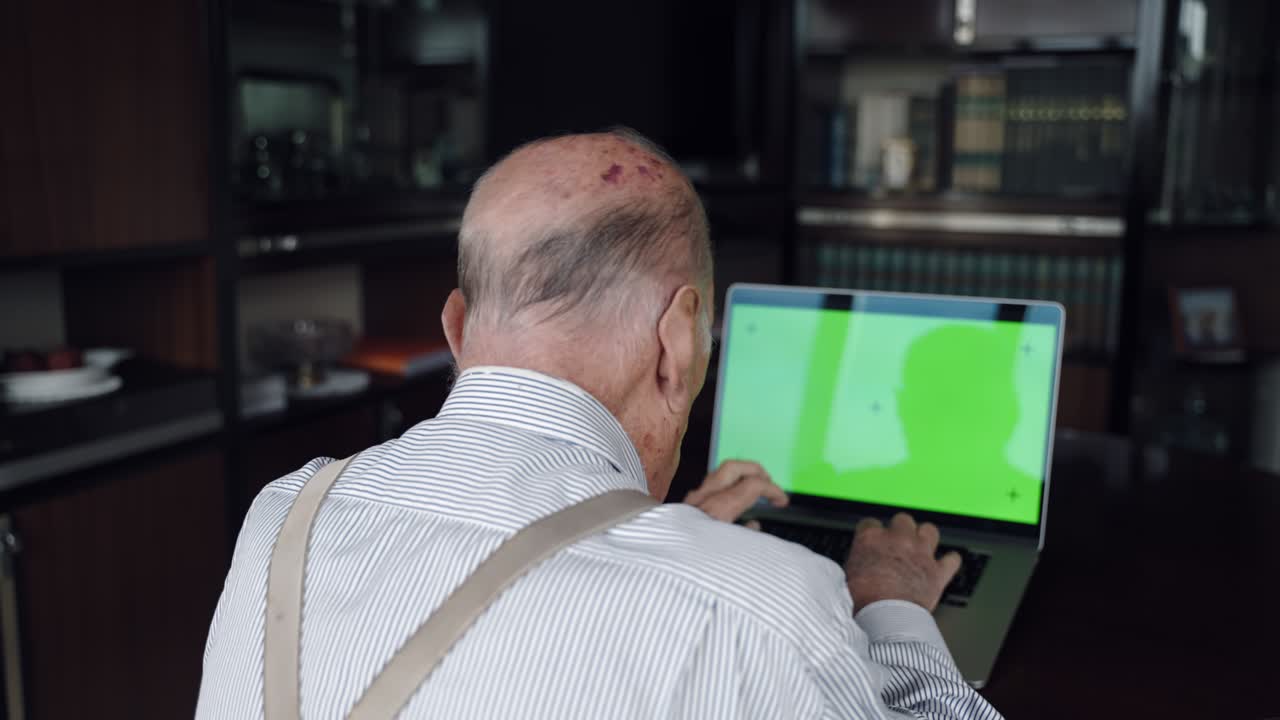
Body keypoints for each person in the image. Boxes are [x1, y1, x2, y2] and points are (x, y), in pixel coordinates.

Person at [197, 129, 1001, 719]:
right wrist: (892, 605)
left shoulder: (282, 517)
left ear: (455, 328)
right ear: (677, 341)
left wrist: (669, 540)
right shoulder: (766, 608)